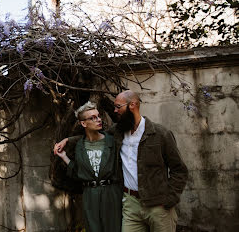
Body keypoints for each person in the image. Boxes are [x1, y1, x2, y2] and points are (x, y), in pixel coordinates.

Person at [54, 90, 188, 232]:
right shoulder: (118, 132)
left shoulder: (161, 134)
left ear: (133, 105)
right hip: (130, 205)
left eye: (118, 107)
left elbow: (179, 170)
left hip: (158, 204)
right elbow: (97, 136)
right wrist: (68, 140)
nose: (114, 110)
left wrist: (170, 199)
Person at [55, 101, 122, 232]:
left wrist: (68, 139)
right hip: (90, 195)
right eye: (93, 118)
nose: (98, 120)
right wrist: (64, 157)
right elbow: (77, 172)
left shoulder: (112, 141)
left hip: (111, 192)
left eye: (98, 116)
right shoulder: (80, 146)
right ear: (83, 123)